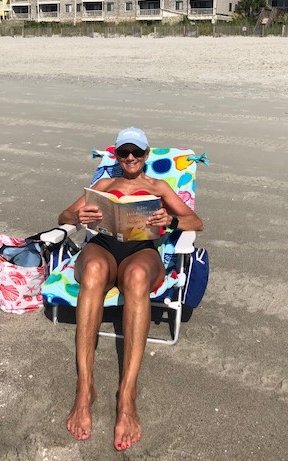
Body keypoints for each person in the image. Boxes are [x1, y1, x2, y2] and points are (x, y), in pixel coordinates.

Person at [58, 127, 203, 451]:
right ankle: (85, 388)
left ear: (146, 154)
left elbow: (196, 221)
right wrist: (78, 216)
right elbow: (64, 215)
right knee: (93, 270)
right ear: (117, 155)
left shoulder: (158, 187)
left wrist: (170, 221)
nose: (131, 158)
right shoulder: (104, 185)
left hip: (141, 251)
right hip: (103, 247)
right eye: (124, 152)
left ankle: (127, 395)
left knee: (137, 276)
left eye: (137, 152)